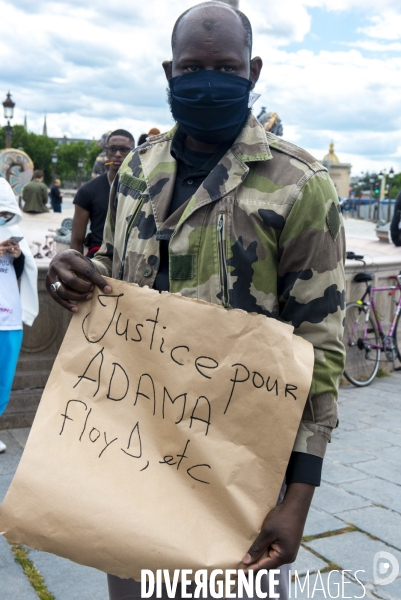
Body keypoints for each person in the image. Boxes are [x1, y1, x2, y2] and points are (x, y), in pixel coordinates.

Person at [46, 2, 345, 599]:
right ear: (168, 71)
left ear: (253, 71)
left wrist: (299, 498)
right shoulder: (136, 168)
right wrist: (78, 271)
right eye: (191, 67)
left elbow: (320, 351)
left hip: (236, 472)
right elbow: (120, 272)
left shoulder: (298, 185)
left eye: (225, 67)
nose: (207, 80)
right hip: (130, 456)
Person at [0, 178, 39, 453]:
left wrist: (18, 256)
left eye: (4, 212)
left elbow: (26, 272)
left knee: (3, 380)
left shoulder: (14, 232)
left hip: (8, 320)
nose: (2, 217)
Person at [70, 129, 135, 258]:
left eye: (123, 149)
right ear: (107, 152)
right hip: (99, 256)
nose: (117, 154)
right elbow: (76, 240)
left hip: (132, 258)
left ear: (134, 152)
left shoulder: (146, 188)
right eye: (113, 149)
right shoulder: (88, 190)